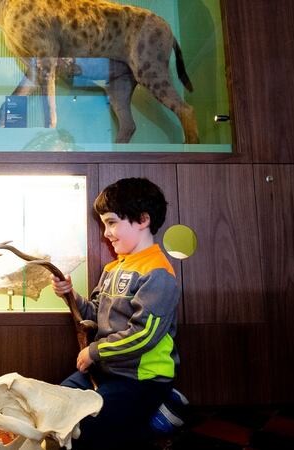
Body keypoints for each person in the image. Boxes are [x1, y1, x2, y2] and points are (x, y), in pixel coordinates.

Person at [52, 177, 181, 448]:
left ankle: (156, 419)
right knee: (55, 409)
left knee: (82, 429)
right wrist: (70, 296)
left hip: (140, 380)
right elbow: (95, 316)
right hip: (104, 372)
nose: (106, 233)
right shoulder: (112, 269)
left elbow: (143, 336)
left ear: (143, 220)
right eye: (103, 224)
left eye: (111, 222)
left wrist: (93, 352)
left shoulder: (158, 272)